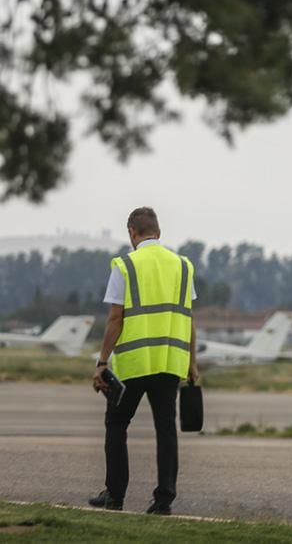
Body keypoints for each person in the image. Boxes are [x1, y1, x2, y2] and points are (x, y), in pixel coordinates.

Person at [89, 207, 199, 514]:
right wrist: (193, 361)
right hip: (169, 360)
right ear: (159, 232)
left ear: (131, 233)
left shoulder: (125, 265)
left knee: (117, 423)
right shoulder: (183, 265)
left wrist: (102, 361)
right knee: (166, 428)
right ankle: (164, 499)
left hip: (134, 363)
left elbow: (115, 318)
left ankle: (115, 495)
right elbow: (189, 317)